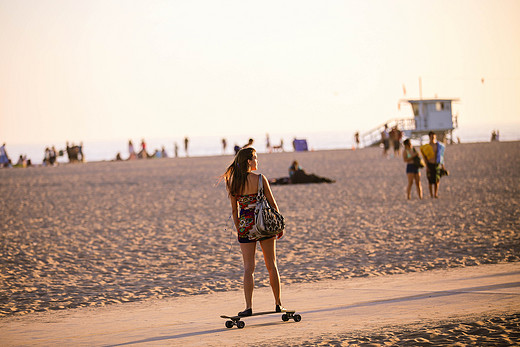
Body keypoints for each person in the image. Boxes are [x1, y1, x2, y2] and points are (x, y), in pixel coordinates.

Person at [221, 147, 285, 316]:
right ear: (249, 161)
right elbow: (272, 204)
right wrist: (279, 224)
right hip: (264, 223)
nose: (257, 161)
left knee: (248, 268)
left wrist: (239, 229)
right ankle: (278, 304)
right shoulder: (260, 179)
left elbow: (234, 211)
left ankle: (248, 307)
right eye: (255, 158)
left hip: (246, 225)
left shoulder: (233, 182)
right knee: (271, 265)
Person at [420, 131, 447, 199]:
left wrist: (443, 166)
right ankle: (431, 194)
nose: (432, 138)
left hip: (437, 164)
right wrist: (426, 166)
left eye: (433, 136)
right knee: (430, 180)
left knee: (437, 180)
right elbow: (424, 157)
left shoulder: (438, 146)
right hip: (430, 164)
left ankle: (435, 193)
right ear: (429, 137)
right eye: (431, 136)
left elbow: (441, 156)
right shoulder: (427, 147)